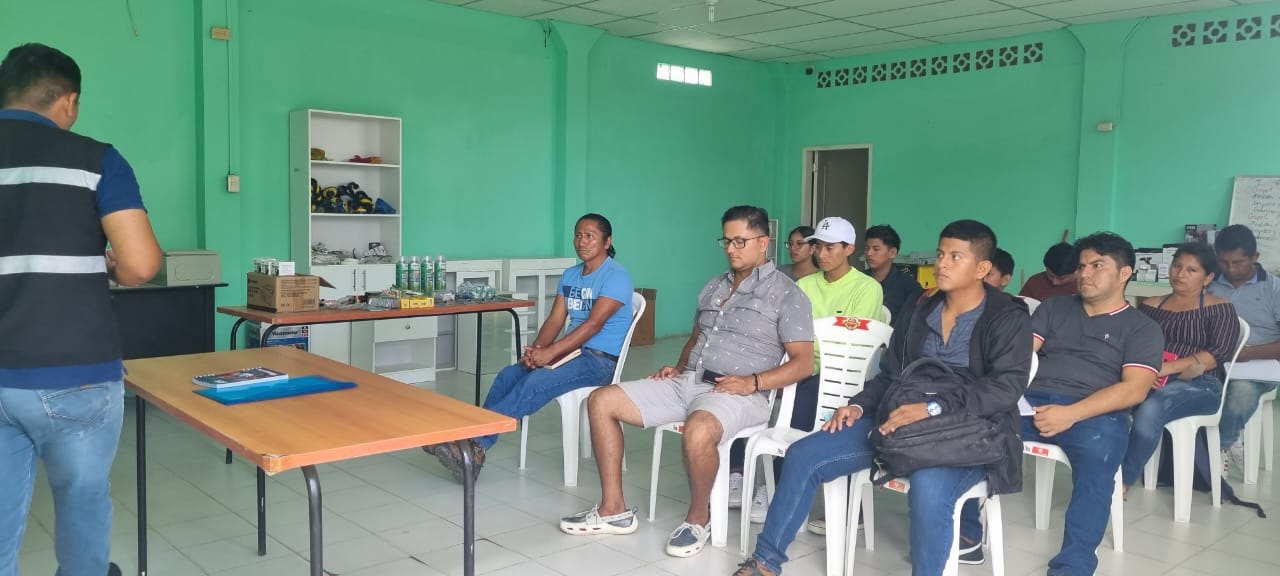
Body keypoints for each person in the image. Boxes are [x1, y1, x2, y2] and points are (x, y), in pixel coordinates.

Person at [734, 220, 1031, 576]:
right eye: (940, 254)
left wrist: (932, 408)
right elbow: (891, 374)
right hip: (899, 417)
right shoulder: (922, 308)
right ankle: (765, 562)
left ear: (982, 268)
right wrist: (858, 405)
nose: (942, 264)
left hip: (966, 430)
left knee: (929, 489)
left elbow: (1005, 388)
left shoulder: (1007, 316)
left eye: (956, 257)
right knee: (804, 455)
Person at [559, 206, 814, 559]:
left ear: (763, 242)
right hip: (689, 381)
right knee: (601, 401)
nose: (731, 249)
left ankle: (698, 518)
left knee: (698, 429)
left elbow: (803, 363)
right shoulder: (715, 285)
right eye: (726, 241)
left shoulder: (788, 294)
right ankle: (613, 509)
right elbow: (697, 337)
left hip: (739, 393)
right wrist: (678, 367)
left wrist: (753, 382)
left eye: (740, 241)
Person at [0, 43, 162, 576]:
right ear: (68, 101)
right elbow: (141, 265)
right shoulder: (95, 159)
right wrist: (113, 268)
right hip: (76, 370)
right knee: (82, 501)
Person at [427, 214, 633, 483]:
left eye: (590, 236)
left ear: (607, 241)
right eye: (578, 235)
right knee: (508, 375)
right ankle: (473, 448)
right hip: (570, 353)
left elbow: (593, 325)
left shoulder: (616, 276)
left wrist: (550, 353)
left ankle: (472, 445)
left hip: (599, 361)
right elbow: (555, 320)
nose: (582, 241)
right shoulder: (571, 275)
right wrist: (537, 351)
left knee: (535, 382)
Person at [1011, 232, 1163, 576]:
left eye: (1097, 266)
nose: (1085, 274)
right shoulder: (1054, 307)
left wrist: (1071, 414)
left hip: (1095, 412)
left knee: (1098, 461)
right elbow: (1020, 356)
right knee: (973, 430)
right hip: (1032, 400)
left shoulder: (1142, 328)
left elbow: (1134, 390)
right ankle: (968, 533)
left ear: (1124, 273)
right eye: (1081, 267)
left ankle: (1073, 566)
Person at [728, 216, 884, 525]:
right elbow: (785, 332)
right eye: (818, 247)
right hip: (798, 364)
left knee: (797, 403)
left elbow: (851, 344)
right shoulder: (804, 285)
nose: (821, 254)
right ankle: (739, 473)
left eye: (830, 248)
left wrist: (806, 347)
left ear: (849, 249)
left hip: (841, 374)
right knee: (737, 388)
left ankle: (778, 489)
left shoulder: (867, 288)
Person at [1121, 243, 1239, 490]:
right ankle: (1102, 465)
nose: (1180, 274)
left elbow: (1217, 354)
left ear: (1208, 278)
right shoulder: (1150, 306)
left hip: (1201, 384)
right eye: (1177, 266)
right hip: (1153, 377)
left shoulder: (1220, 308)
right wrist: (1146, 372)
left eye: (1191, 270)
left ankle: (1123, 480)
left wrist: (1165, 369)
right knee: (1113, 399)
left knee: (1152, 407)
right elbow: (1134, 344)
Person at [1209, 225, 1280, 460]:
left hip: (1258, 368)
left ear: (1255, 257)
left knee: (1241, 392)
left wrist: (1247, 354)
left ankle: (1217, 450)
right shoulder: (1209, 283)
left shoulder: (1274, 288)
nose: (1231, 269)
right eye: (1224, 262)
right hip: (1215, 361)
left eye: (1238, 262)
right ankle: (1187, 446)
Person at [865, 224, 923, 328]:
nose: (869, 253)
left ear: (892, 253)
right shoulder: (858, 280)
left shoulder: (910, 287)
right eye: (867, 248)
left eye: (876, 249)